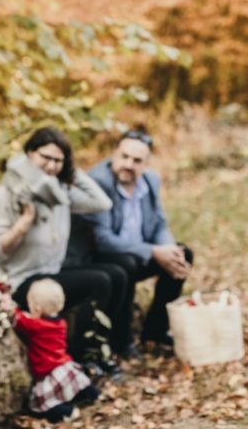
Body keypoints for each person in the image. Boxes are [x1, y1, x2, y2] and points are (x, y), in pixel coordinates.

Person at [0, 127, 128, 365]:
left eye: (58, 161)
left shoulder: (59, 192)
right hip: (21, 282)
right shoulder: (9, 194)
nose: (51, 166)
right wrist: (24, 223)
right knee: (99, 282)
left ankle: (107, 347)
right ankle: (81, 359)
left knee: (117, 275)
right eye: (46, 158)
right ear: (29, 153)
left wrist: (70, 171)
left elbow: (101, 202)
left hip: (52, 274)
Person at [69, 129, 194, 354]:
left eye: (136, 160)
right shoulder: (99, 182)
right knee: (126, 264)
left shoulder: (150, 180)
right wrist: (154, 251)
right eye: (124, 156)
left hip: (140, 251)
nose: (128, 164)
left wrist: (170, 250)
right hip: (103, 256)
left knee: (183, 255)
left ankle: (155, 331)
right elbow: (103, 239)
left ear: (146, 163)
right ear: (114, 155)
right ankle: (121, 341)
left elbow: (159, 223)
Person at [14, 279, 100, 423]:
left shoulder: (36, 326)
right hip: (65, 366)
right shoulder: (60, 323)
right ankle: (91, 393)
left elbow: (18, 319)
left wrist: (10, 306)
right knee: (78, 383)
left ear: (37, 309)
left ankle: (68, 412)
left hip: (48, 371)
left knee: (40, 403)